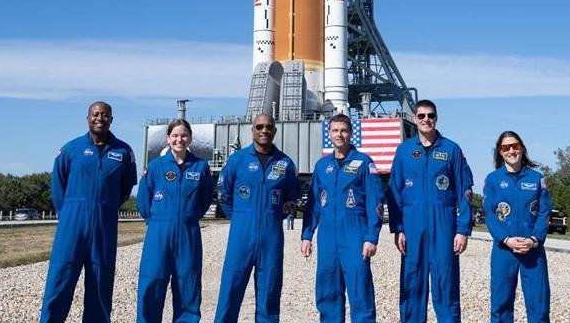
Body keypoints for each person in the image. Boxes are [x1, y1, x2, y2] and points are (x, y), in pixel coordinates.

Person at [39, 101, 138, 323]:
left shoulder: (123, 151)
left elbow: (126, 187)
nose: (99, 118)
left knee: (101, 282)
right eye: (95, 114)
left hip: (104, 225)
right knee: (59, 281)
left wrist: (106, 205)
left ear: (111, 119)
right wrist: (68, 214)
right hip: (72, 225)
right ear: (87, 118)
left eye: (105, 115)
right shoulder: (70, 149)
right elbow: (58, 186)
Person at [386, 99, 473, 323]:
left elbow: (465, 191)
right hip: (413, 228)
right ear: (414, 119)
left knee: (446, 285)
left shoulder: (451, 150)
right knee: (412, 284)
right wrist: (398, 228)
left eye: (431, 115)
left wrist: (463, 230)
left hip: (444, 228)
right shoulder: (404, 151)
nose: (426, 119)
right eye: (421, 116)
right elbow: (395, 192)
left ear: (436, 118)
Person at [213, 114, 301, 323]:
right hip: (241, 237)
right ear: (252, 130)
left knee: (269, 295)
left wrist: (275, 216)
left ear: (274, 131)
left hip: (271, 238)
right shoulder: (237, 160)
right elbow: (223, 194)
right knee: (230, 292)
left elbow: (292, 196)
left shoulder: (285, 164)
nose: (264, 130)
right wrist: (240, 218)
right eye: (259, 127)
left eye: (269, 127)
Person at [300, 113, 384, 323]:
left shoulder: (364, 162)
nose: (339, 134)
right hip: (327, 238)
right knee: (328, 290)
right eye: (335, 130)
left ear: (351, 133)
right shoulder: (322, 166)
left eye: (344, 130)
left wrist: (371, 237)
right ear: (329, 133)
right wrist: (307, 235)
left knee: (360, 290)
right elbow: (314, 203)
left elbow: (375, 201)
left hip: (354, 235)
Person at [136, 119, 215, 323]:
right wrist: (155, 221)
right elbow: (144, 200)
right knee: (152, 282)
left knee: (188, 284)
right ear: (168, 138)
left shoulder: (201, 167)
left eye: (184, 135)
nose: (179, 139)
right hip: (158, 233)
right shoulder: (155, 166)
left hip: (188, 233)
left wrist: (189, 216)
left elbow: (205, 199)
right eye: (175, 135)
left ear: (190, 139)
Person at [482, 131, 552, 323]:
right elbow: (490, 215)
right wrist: (506, 239)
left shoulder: (536, 179)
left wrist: (534, 240)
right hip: (504, 249)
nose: (511, 150)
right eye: (506, 147)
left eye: (515, 146)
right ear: (500, 152)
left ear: (522, 148)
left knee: (539, 304)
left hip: (533, 249)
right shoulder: (493, 180)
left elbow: (544, 212)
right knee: (500, 305)